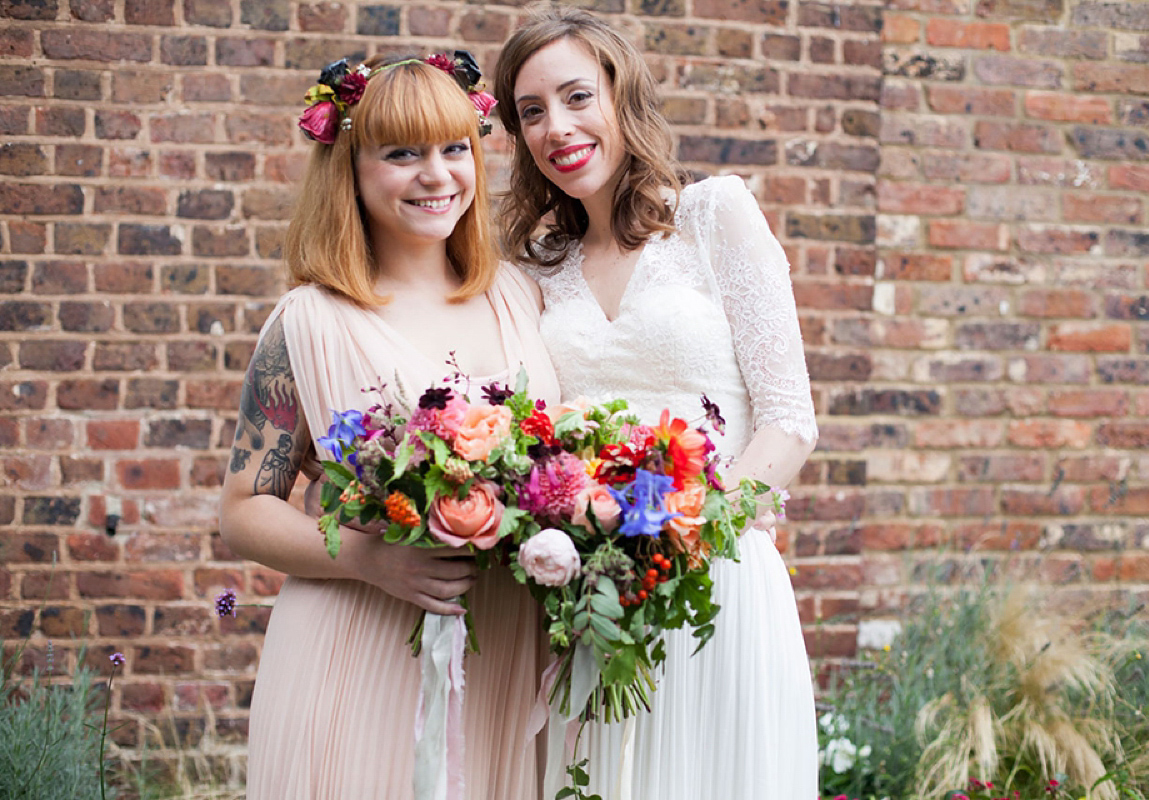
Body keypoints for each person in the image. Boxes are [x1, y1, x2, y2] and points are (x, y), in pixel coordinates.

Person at [493, 8, 819, 799]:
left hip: (717, 583)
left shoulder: (714, 217)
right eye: (531, 112)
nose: (556, 127)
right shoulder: (536, 266)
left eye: (576, 97)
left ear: (621, 94)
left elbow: (789, 420)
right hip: (593, 596)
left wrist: (685, 538)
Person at [218, 52, 558, 800]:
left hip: (500, 654)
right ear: (350, 166)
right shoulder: (310, 321)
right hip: (358, 648)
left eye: (453, 149)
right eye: (401, 153)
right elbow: (244, 510)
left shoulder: (518, 295)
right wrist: (368, 560)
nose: (436, 176)